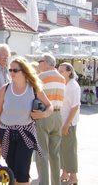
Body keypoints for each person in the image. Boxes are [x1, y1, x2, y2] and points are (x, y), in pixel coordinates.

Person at [0, 56, 51, 185]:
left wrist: (43, 114)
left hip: (26, 133)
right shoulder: (5, 89)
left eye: (15, 70)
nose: (11, 73)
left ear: (24, 71)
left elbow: (50, 106)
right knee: (12, 172)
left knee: (22, 172)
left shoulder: (34, 88)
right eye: (10, 70)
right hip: (6, 133)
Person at [33, 53, 63, 185]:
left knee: (42, 153)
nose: (39, 64)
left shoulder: (40, 77)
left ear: (45, 62)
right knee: (55, 154)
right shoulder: (62, 78)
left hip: (44, 115)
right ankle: (56, 182)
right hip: (58, 116)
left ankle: (44, 182)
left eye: (40, 62)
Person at [57, 63, 80, 184]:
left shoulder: (73, 86)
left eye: (61, 71)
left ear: (69, 72)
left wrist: (67, 124)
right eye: (58, 70)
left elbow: (75, 107)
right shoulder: (63, 84)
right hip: (61, 121)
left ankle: (73, 175)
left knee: (70, 149)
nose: (59, 72)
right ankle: (65, 172)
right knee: (62, 149)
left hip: (69, 122)